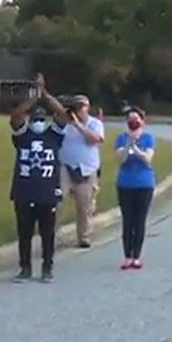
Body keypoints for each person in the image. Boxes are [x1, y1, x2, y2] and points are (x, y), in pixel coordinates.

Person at [9, 74, 67, 283]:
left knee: (47, 234)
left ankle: (47, 267)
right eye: (36, 120)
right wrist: (33, 98)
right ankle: (25, 267)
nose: (39, 123)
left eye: (42, 119)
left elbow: (63, 114)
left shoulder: (53, 136)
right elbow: (15, 116)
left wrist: (45, 94)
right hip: (24, 192)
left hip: (48, 192)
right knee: (24, 234)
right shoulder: (23, 136)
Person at [58, 94, 104, 248]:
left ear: (87, 107)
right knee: (56, 202)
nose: (78, 111)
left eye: (81, 108)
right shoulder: (64, 124)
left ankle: (83, 236)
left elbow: (93, 140)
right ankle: (51, 234)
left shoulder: (94, 123)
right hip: (65, 166)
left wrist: (78, 125)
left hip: (86, 169)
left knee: (84, 206)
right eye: (75, 108)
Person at [114, 107, 155, 270]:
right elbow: (120, 159)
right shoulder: (120, 138)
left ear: (142, 122)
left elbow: (147, 159)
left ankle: (136, 256)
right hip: (125, 184)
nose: (133, 122)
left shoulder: (147, 138)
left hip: (144, 184)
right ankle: (127, 256)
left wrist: (136, 148)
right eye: (130, 119)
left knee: (139, 221)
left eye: (136, 119)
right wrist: (127, 145)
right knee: (127, 221)